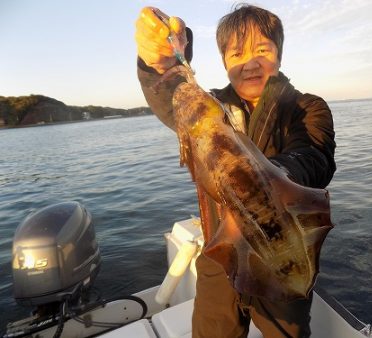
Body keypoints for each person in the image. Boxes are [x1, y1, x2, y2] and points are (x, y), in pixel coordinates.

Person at [135, 4, 336, 337]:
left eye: (262, 49)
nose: (250, 63)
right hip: (221, 254)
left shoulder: (307, 107)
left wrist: (264, 175)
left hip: (281, 252)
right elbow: (172, 99)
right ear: (225, 62)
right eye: (236, 54)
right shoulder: (210, 109)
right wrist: (158, 63)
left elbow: (314, 157)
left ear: (279, 54)